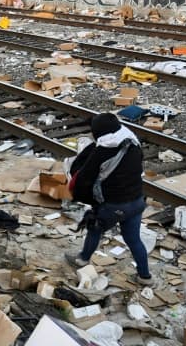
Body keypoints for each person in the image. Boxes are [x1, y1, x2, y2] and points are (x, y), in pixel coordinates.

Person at [65, 113, 152, 285]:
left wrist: (81, 196)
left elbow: (85, 179)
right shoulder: (132, 143)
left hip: (114, 204)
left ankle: (82, 259)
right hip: (137, 201)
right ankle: (145, 277)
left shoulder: (102, 152)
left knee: (94, 228)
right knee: (134, 240)